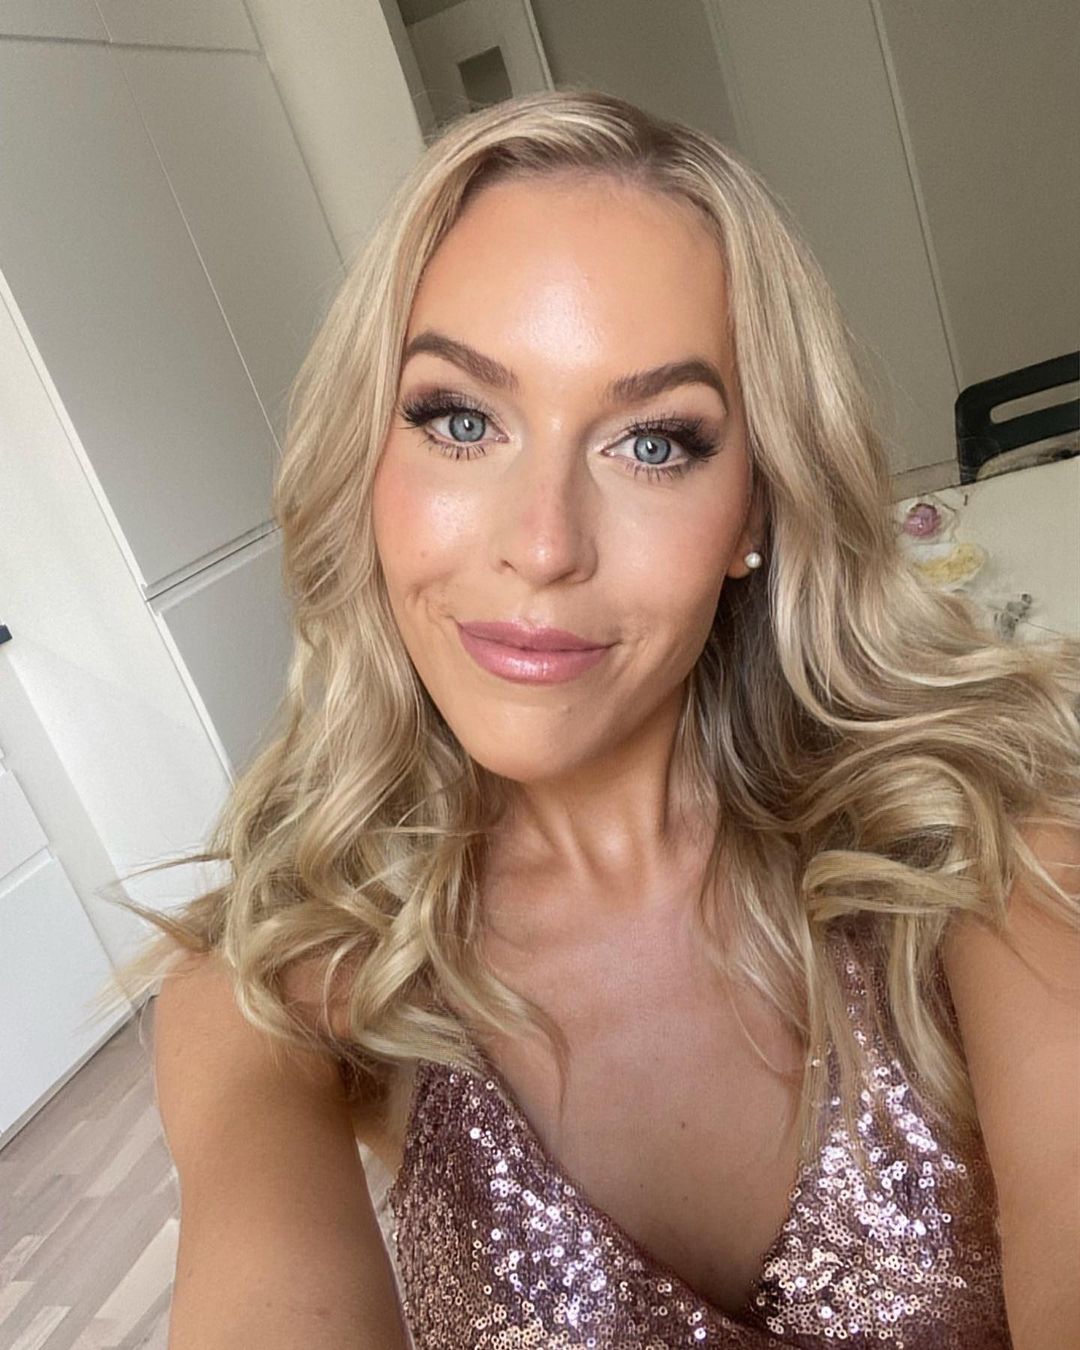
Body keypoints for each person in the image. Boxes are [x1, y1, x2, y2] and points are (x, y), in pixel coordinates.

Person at [98, 89, 1080, 1349]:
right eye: (461, 421)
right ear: (365, 460)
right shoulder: (272, 992)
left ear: (756, 508)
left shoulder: (982, 847)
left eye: (654, 444)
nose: (546, 544)